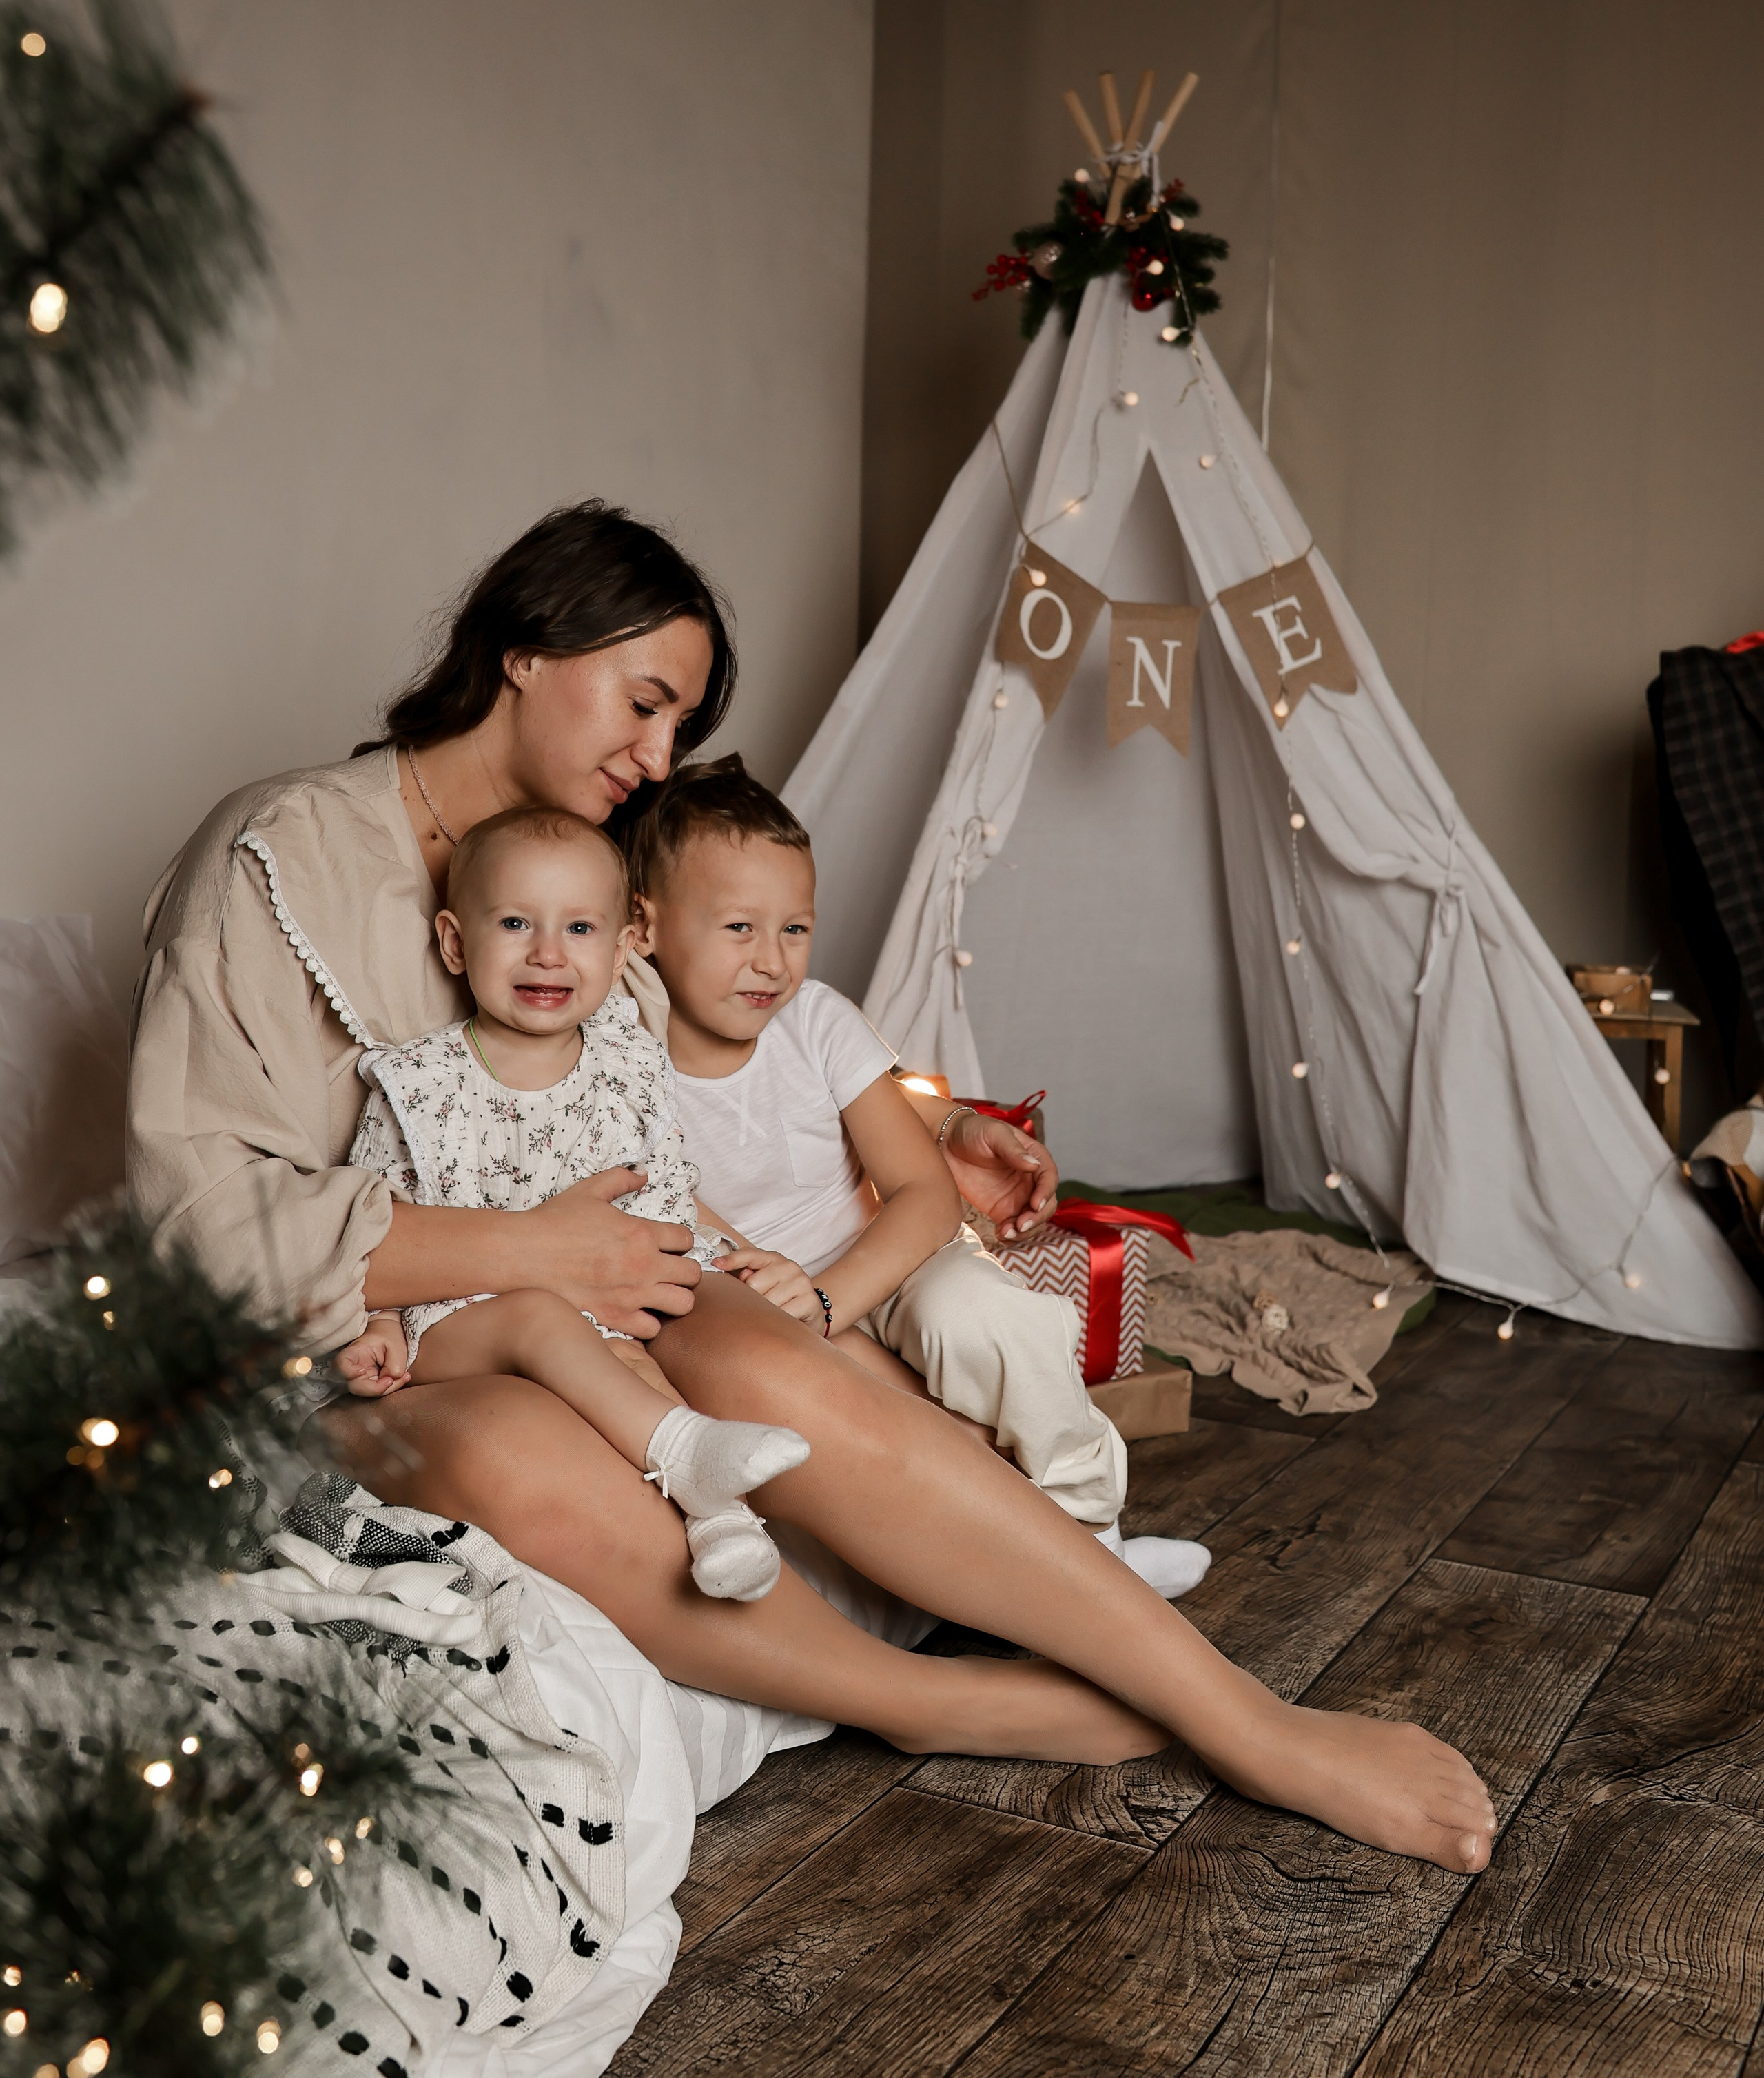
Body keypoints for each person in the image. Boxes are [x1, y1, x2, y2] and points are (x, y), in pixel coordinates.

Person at [129, 500, 1496, 1871]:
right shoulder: (278, 857)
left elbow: (758, 1039)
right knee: (512, 1450)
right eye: (644, 701)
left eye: (678, 727)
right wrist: (535, 1252)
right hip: (364, 1341)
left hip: (602, 1285)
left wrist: (929, 1126)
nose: (655, 754)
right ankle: (926, 1706)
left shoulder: (606, 882)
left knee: (781, 1364)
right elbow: (196, 1226)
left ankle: (1244, 1716)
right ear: (527, 649)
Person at [628, 754, 1210, 1599]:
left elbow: (925, 1194)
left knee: (993, 1319)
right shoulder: (625, 1069)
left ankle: (1095, 1539)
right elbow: (686, 1216)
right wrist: (805, 1316)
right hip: (756, 1301)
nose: (771, 962)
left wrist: (832, 1301)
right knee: (864, 1420)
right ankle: (996, 1568)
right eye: (737, 929)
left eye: (794, 929)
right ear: (642, 929)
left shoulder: (819, 1024)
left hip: (884, 1260)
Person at [334, 801, 813, 1604]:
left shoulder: (627, 1065)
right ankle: (696, 1460)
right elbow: (374, 1223)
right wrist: (377, 1324)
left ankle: (722, 1524)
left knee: (635, 1363)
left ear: (625, 946)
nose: (549, 955)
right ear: (457, 942)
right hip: (449, 1320)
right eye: (517, 923)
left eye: (581, 930)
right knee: (539, 1318)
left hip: (594, 1313)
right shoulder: (420, 1084)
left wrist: (715, 1262)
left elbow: (663, 1190)